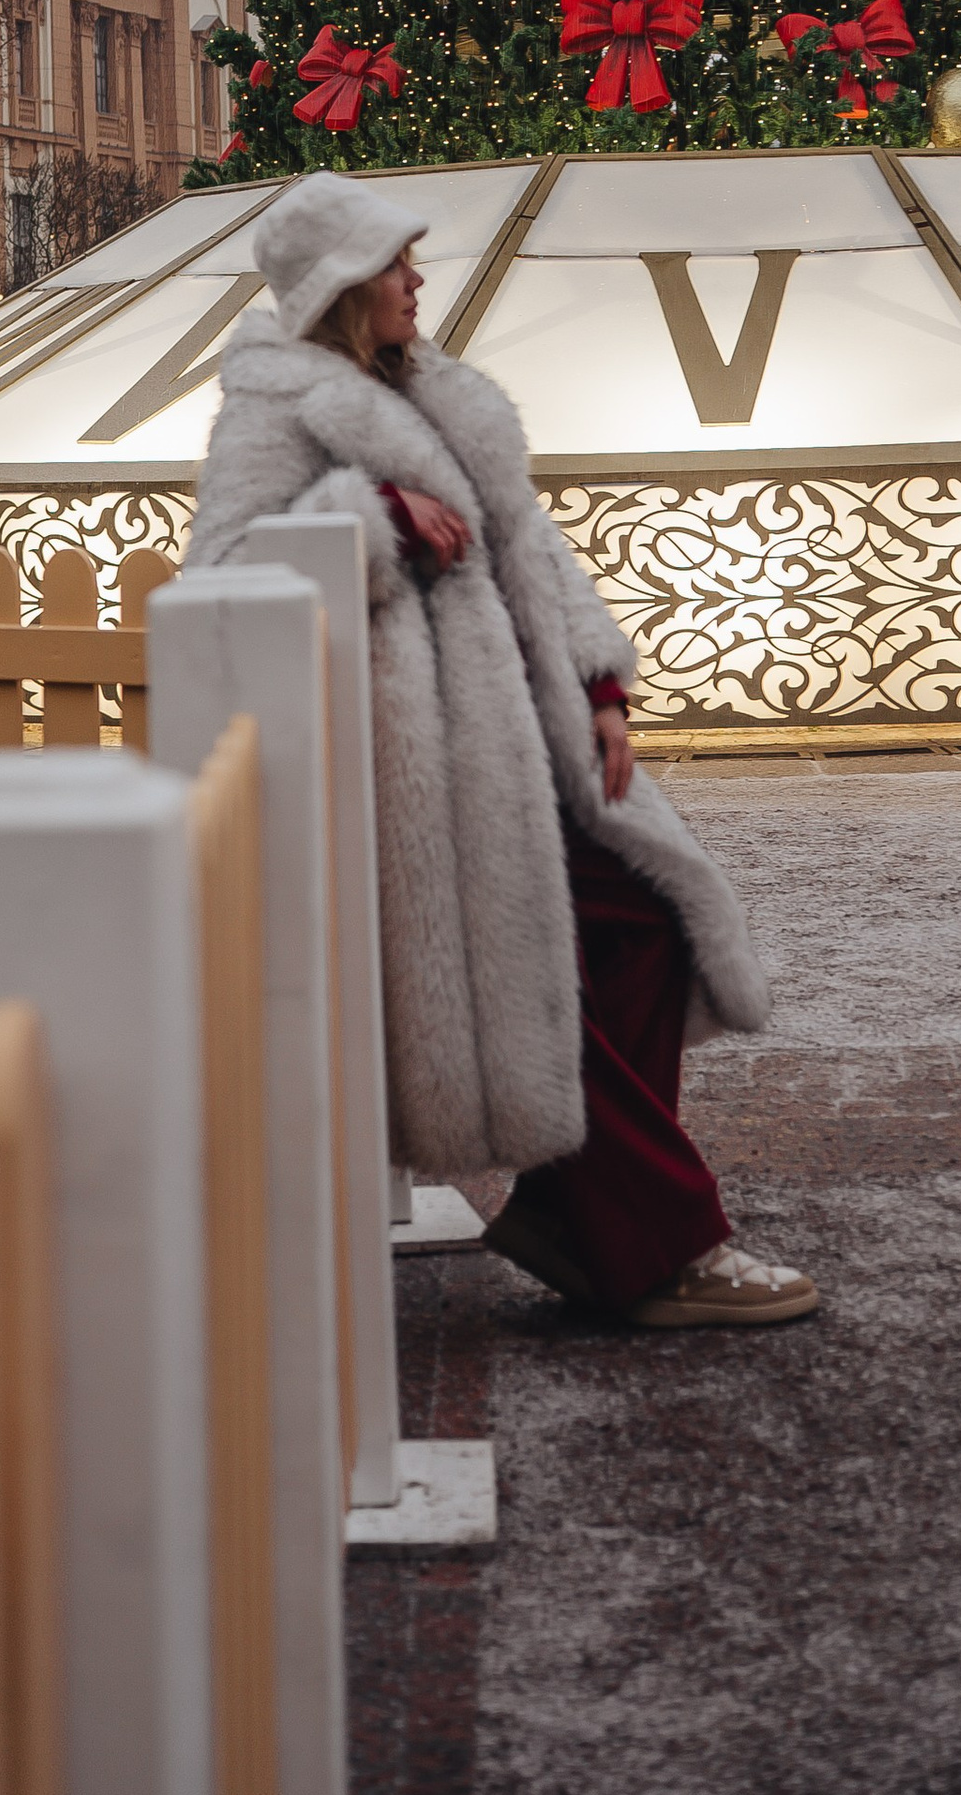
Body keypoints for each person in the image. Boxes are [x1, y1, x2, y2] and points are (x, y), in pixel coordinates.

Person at [189, 172, 815, 1331]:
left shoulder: (434, 390)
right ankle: (662, 1241)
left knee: (646, 927)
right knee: (542, 985)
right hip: (416, 780)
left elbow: (536, 549)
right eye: (393, 261)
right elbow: (222, 574)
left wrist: (598, 686)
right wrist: (366, 515)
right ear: (340, 285)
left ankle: (580, 1216)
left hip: (522, 755)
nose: (416, 277)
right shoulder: (275, 408)